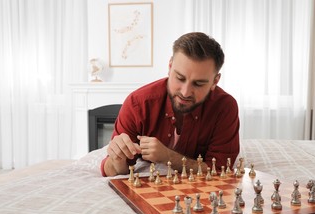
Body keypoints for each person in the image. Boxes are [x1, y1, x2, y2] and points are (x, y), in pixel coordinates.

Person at [101, 32, 240, 177]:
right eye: (179, 78)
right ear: (169, 66)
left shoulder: (225, 107)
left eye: (198, 84)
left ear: (215, 81)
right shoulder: (138, 103)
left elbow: (220, 171)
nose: (185, 92)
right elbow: (112, 170)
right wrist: (117, 159)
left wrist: (168, 156)